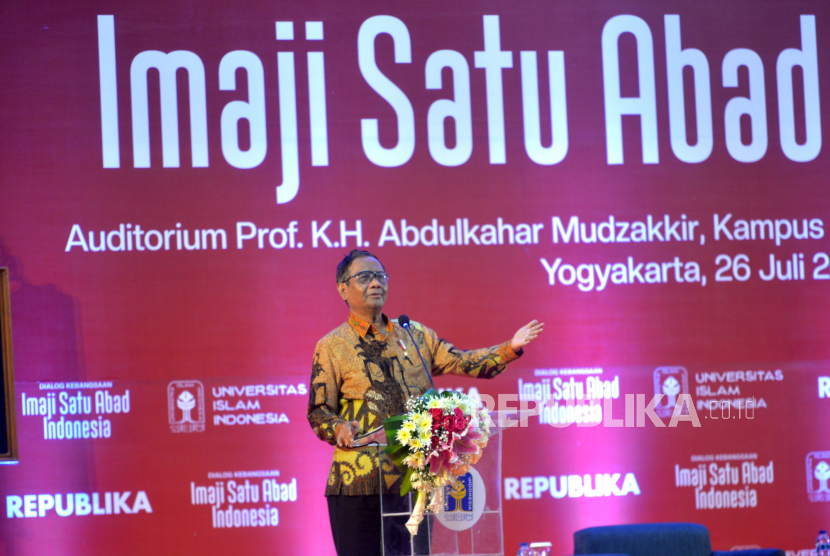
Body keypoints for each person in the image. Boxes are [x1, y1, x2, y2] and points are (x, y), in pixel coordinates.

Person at [307, 249, 543, 556]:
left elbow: (462, 361)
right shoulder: (332, 346)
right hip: (358, 488)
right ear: (342, 288)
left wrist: (509, 349)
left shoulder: (413, 334)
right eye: (364, 277)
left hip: (413, 486)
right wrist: (339, 427)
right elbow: (318, 409)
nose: (375, 282)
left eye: (380, 276)